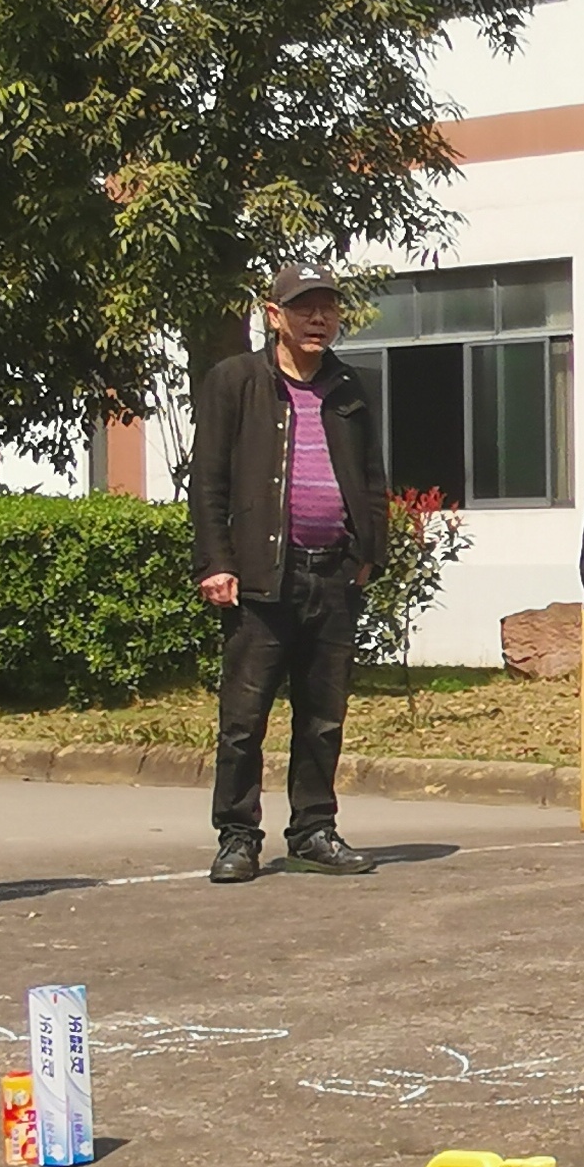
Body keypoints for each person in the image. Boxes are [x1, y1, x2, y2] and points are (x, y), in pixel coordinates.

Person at [188, 270, 386, 885]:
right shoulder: (237, 381)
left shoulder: (350, 384)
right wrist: (216, 562)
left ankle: (314, 830)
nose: (318, 320)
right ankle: (238, 836)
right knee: (244, 719)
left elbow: (371, 474)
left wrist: (369, 549)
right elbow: (209, 480)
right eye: (305, 310)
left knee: (323, 715)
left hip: (333, 576)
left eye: (328, 309)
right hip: (261, 578)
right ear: (275, 314)